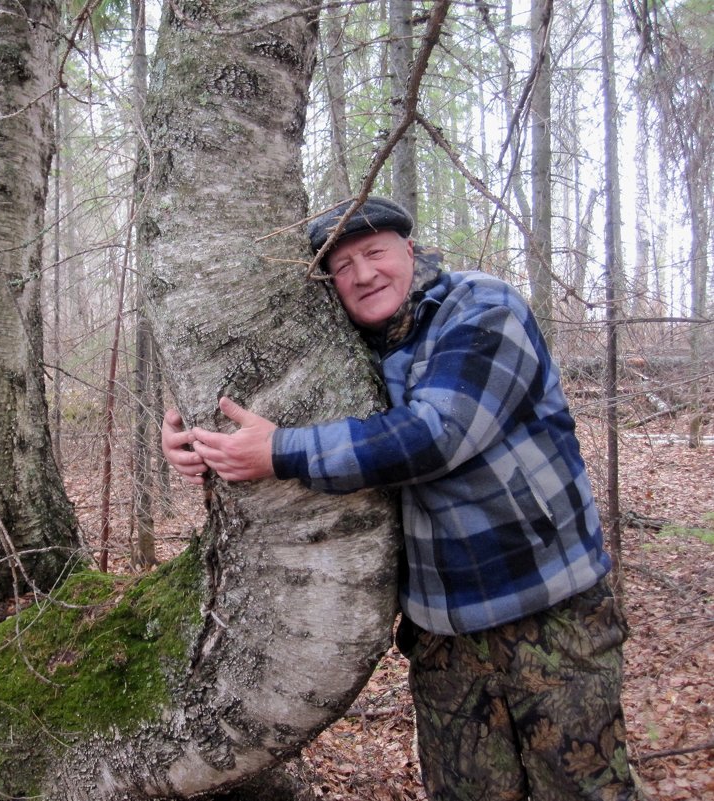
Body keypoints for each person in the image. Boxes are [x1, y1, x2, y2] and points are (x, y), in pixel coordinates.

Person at [162, 197, 643, 801]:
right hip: (443, 632)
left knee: (583, 792)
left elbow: (438, 433)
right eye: (343, 266)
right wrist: (193, 436)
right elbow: (274, 404)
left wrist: (282, 451)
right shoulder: (346, 355)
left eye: (375, 253)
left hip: (548, 608)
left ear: (409, 252)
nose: (363, 274)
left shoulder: (483, 309)